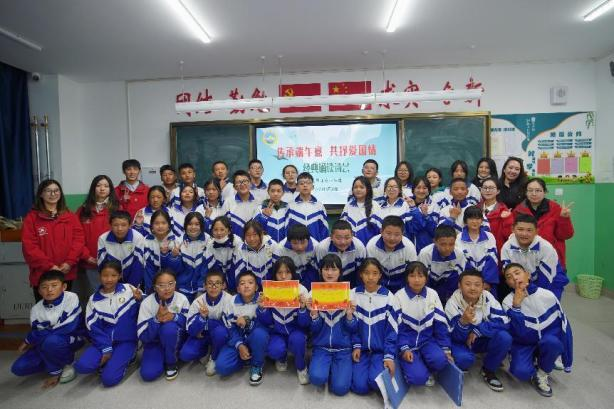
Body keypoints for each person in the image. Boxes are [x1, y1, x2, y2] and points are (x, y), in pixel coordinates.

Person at [501, 263, 573, 397]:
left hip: (546, 340)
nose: (515, 278)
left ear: (527, 275)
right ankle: (533, 361)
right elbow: (519, 333)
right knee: (521, 372)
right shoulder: (507, 302)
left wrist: (566, 358)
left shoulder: (547, 295)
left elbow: (564, 328)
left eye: (517, 273)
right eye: (509, 277)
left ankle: (542, 372)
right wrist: (516, 306)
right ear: (508, 283)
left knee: (553, 343)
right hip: (524, 343)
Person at [11, 270, 84, 388]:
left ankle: (67, 364)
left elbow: (67, 327)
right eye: (44, 287)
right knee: (18, 368)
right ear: (39, 291)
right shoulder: (36, 309)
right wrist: (33, 337)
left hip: (73, 337)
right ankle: (57, 363)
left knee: (51, 341)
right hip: (47, 342)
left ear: (64, 287)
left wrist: (30, 339)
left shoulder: (71, 298)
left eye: (54, 285)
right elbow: (38, 335)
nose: (49, 290)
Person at [74, 260, 142, 387]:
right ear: (99, 276)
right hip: (103, 341)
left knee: (109, 379)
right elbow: (93, 328)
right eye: (105, 275)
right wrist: (106, 348)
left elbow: (146, 309)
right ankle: (110, 359)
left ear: (120, 276)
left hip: (126, 341)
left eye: (113, 275)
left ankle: (130, 356)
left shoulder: (129, 289)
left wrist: (140, 299)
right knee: (81, 366)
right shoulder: (93, 300)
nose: (109, 279)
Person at [445, 269, 511, 392]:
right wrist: (463, 322)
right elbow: (453, 336)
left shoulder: (488, 297)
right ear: (459, 285)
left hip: (481, 337)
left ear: (483, 286)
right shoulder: (452, 303)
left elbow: (504, 322)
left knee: (504, 337)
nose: (472, 288)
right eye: (468, 284)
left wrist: (478, 330)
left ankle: (489, 370)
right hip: (461, 341)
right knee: (464, 360)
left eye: (477, 284)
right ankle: (462, 362)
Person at [22, 179, 85, 301]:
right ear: (41, 194)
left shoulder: (70, 216)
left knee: (66, 308)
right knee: (44, 310)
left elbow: (78, 241)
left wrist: (69, 262)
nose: (53, 194)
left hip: (66, 273)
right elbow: (29, 247)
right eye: (48, 191)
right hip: (42, 275)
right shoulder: (32, 218)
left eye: (56, 191)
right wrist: (49, 266)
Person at [306, 254, 358, 396]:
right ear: (320, 271)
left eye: (334, 269)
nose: (329, 273)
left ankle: (336, 370)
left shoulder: (349, 293)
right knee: (316, 378)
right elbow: (314, 330)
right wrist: (314, 314)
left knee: (340, 389)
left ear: (340, 272)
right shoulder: (313, 293)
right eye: (326, 269)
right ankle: (325, 367)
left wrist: (349, 315)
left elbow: (353, 328)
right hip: (321, 347)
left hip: (343, 349)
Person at [396, 261, 452, 387]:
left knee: (441, 361)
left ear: (426, 278)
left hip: (427, 340)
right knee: (418, 379)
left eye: (420, 276)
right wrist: (404, 349)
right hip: (408, 343)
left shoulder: (433, 294)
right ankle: (406, 363)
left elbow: (440, 323)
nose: (416, 280)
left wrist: (445, 348)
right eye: (412, 276)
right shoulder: (399, 296)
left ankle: (422, 365)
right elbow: (398, 328)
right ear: (406, 278)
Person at [257, 257, 310, 384]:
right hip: (277, 331)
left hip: (296, 330)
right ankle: (282, 358)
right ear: (275, 274)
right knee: (274, 350)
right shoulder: (269, 290)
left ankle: (301, 367)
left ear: (293, 273)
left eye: (287, 272)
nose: (284, 276)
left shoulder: (301, 290)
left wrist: (302, 308)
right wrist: (262, 308)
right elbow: (267, 321)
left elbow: (305, 323)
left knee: (298, 340)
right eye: (279, 272)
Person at [350, 258, 399, 395]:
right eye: (366, 273)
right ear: (361, 274)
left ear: (380, 275)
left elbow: (392, 331)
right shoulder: (353, 294)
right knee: (360, 387)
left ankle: (394, 364)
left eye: (375, 273)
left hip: (380, 351)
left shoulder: (389, 297)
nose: (370, 277)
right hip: (361, 350)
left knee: (376, 382)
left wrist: (388, 356)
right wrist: (356, 345)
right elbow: (350, 325)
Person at [216, 271, 270, 385]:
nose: (246, 286)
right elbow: (229, 328)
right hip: (238, 338)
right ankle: (246, 359)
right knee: (221, 367)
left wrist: (250, 320)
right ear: (238, 289)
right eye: (242, 283)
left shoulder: (263, 299)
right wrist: (239, 345)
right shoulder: (231, 302)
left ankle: (257, 365)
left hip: (255, 337)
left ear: (256, 287)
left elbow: (267, 324)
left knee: (260, 334)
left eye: (250, 283)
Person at [137, 269, 189, 381]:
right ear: (155, 287)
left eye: (171, 284)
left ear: (175, 284)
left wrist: (174, 317)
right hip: (154, 343)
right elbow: (143, 336)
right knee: (148, 374)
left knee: (169, 328)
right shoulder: (146, 303)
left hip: (175, 339)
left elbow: (188, 325)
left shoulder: (182, 299)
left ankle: (171, 362)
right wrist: (157, 319)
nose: (167, 288)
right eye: (161, 285)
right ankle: (162, 356)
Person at [500, 214, 568, 299]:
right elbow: (510, 275)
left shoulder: (545, 248)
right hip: (524, 280)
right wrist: (520, 289)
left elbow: (546, 279)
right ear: (513, 229)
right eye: (520, 229)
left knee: (546, 302)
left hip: (551, 280)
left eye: (529, 230)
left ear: (536, 231)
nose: (524, 234)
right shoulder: (506, 247)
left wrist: (535, 296)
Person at [513, 177, 574, 270]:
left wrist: (564, 218)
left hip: (551, 258)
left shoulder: (556, 208)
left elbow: (566, 235)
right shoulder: (518, 211)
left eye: (538, 190)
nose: (534, 193)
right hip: (526, 259)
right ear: (526, 192)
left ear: (545, 192)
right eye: (530, 190)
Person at [179, 270, 232, 376]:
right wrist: (202, 317)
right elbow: (190, 329)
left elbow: (230, 326)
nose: (213, 287)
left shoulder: (229, 300)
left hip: (217, 334)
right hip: (203, 335)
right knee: (185, 354)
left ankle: (214, 357)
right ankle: (205, 351)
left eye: (217, 283)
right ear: (204, 286)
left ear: (223, 285)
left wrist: (206, 324)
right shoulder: (197, 302)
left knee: (220, 332)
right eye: (210, 283)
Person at [76, 175, 119, 293]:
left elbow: (123, 235)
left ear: (110, 189)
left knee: (113, 294)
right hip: (90, 262)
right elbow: (76, 237)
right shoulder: (83, 210)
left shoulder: (117, 209)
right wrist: (86, 256)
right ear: (93, 188)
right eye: (98, 185)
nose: (102, 188)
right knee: (96, 294)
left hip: (113, 262)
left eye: (106, 186)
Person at [365, 215, 418, 293]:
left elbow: (412, 273)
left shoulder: (409, 247)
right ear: (381, 232)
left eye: (397, 234)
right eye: (388, 233)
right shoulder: (372, 245)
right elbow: (369, 272)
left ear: (403, 234)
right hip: (378, 284)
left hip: (401, 285)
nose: (392, 238)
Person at [456, 206, 499, 295]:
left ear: (482, 220)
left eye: (477, 218)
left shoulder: (489, 236)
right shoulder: (459, 238)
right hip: (468, 282)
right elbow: (462, 262)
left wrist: (485, 282)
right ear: (465, 220)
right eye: (471, 218)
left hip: (487, 282)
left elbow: (492, 260)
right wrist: (474, 282)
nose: (474, 221)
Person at [418, 225, 466, 304]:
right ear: (435, 242)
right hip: (429, 287)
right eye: (443, 244)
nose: (447, 248)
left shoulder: (459, 254)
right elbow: (422, 279)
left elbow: (458, 278)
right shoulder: (425, 254)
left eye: (451, 244)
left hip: (449, 289)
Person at [97, 210, 146, 288]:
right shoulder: (103, 239)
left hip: (133, 281)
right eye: (115, 225)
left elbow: (138, 265)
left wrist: (130, 288)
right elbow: (103, 265)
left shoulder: (138, 237)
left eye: (124, 225)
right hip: (111, 282)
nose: (119, 228)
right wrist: (113, 286)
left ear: (130, 225)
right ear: (110, 225)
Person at [315, 220, 366, 287]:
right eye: (338, 238)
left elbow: (361, 272)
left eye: (347, 238)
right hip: (329, 278)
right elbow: (320, 271)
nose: (343, 242)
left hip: (351, 277)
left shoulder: (359, 247)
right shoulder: (322, 248)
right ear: (331, 237)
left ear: (352, 236)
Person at [143, 210, 181, 295]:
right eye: (156, 223)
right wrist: (151, 289)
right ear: (152, 226)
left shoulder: (176, 241)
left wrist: (173, 257)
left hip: (171, 285)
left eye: (163, 223)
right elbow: (147, 268)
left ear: (169, 225)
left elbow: (177, 270)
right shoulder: (146, 241)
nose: (160, 226)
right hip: (151, 284)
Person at [175, 212, 210, 301]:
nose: (193, 227)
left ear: (202, 226)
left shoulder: (209, 241)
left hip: (203, 288)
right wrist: (174, 257)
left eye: (197, 224)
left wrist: (201, 287)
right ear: (185, 225)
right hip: (182, 288)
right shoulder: (178, 241)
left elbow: (207, 267)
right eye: (190, 224)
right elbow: (176, 269)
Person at [273, 223, 319, 290]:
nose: (299, 247)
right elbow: (276, 270)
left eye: (303, 243)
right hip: (289, 273)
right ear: (289, 241)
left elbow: (318, 268)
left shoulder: (316, 246)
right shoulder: (280, 248)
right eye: (295, 243)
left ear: (308, 240)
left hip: (308, 271)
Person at [204, 216, 244, 292]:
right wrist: (221, 283)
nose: (219, 233)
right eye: (215, 230)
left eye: (222, 229)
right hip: (219, 282)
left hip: (236, 280)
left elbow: (238, 267)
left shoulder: (237, 242)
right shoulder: (210, 245)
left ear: (229, 231)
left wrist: (231, 286)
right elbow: (213, 268)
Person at [286, 172, 329, 242]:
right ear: (297, 187)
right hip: (296, 245)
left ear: (313, 187)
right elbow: (287, 228)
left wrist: (321, 245)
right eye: (301, 183)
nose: (305, 185)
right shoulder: (291, 206)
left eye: (308, 183)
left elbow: (324, 229)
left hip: (316, 246)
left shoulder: (319, 206)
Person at [340, 176, 381, 246]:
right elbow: (342, 226)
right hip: (350, 246)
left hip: (369, 246)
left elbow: (380, 230)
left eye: (361, 187)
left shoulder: (375, 205)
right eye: (355, 187)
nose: (358, 189)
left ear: (368, 189)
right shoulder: (348, 205)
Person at [235, 220, 277, 288]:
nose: (252, 239)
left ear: (261, 234)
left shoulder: (272, 245)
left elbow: (278, 269)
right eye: (248, 235)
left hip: (272, 287)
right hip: (251, 289)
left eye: (255, 235)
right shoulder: (241, 250)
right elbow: (240, 274)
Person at [478, 177, 513, 254]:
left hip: (496, 251)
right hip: (477, 251)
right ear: (481, 190)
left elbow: (509, 236)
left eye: (491, 188)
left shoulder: (504, 211)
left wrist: (507, 219)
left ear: (498, 191)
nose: (487, 190)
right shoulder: (476, 209)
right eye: (485, 188)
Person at [222, 170, 260, 237]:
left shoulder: (258, 202)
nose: (242, 184)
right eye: (239, 182)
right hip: (234, 241)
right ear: (234, 187)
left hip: (253, 241)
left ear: (250, 183)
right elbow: (223, 225)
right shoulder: (228, 202)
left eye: (245, 181)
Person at [406, 176, 438, 253]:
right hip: (408, 246)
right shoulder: (405, 204)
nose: (421, 191)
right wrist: (414, 209)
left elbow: (434, 231)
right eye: (418, 187)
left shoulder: (434, 206)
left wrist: (426, 216)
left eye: (424, 188)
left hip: (427, 247)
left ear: (428, 190)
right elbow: (410, 228)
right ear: (413, 190)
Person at [253, 178, 288, 243]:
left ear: (283, 193)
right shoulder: (260, 208)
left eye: (278, 191)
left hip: (284, 247)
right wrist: (264, 217)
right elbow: (254, 229)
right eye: (272, 191)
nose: (275, 194)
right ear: (268, 192)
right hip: (266, 246)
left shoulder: (288, 209)